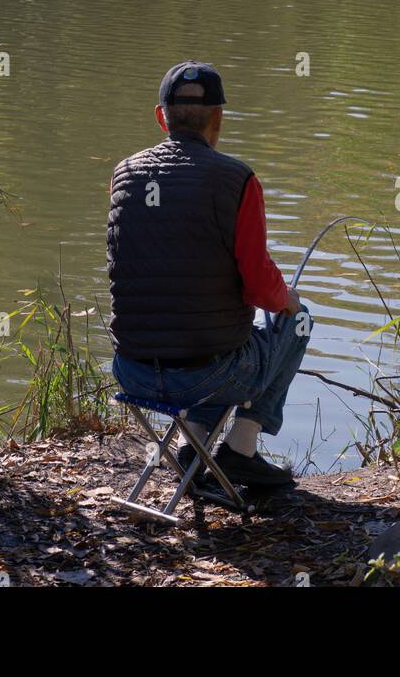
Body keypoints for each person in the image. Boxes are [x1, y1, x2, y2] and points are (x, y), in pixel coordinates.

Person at [107, 60, 313, 488]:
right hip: (207, 377)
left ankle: (193, 442)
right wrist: (288, 301)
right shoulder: (236, 180)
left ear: (162, 117)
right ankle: (240, 448)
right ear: (218, 118)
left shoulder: (125, 174)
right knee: (297, 322)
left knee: (207, 335)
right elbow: (261, 287)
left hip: (133, 370)